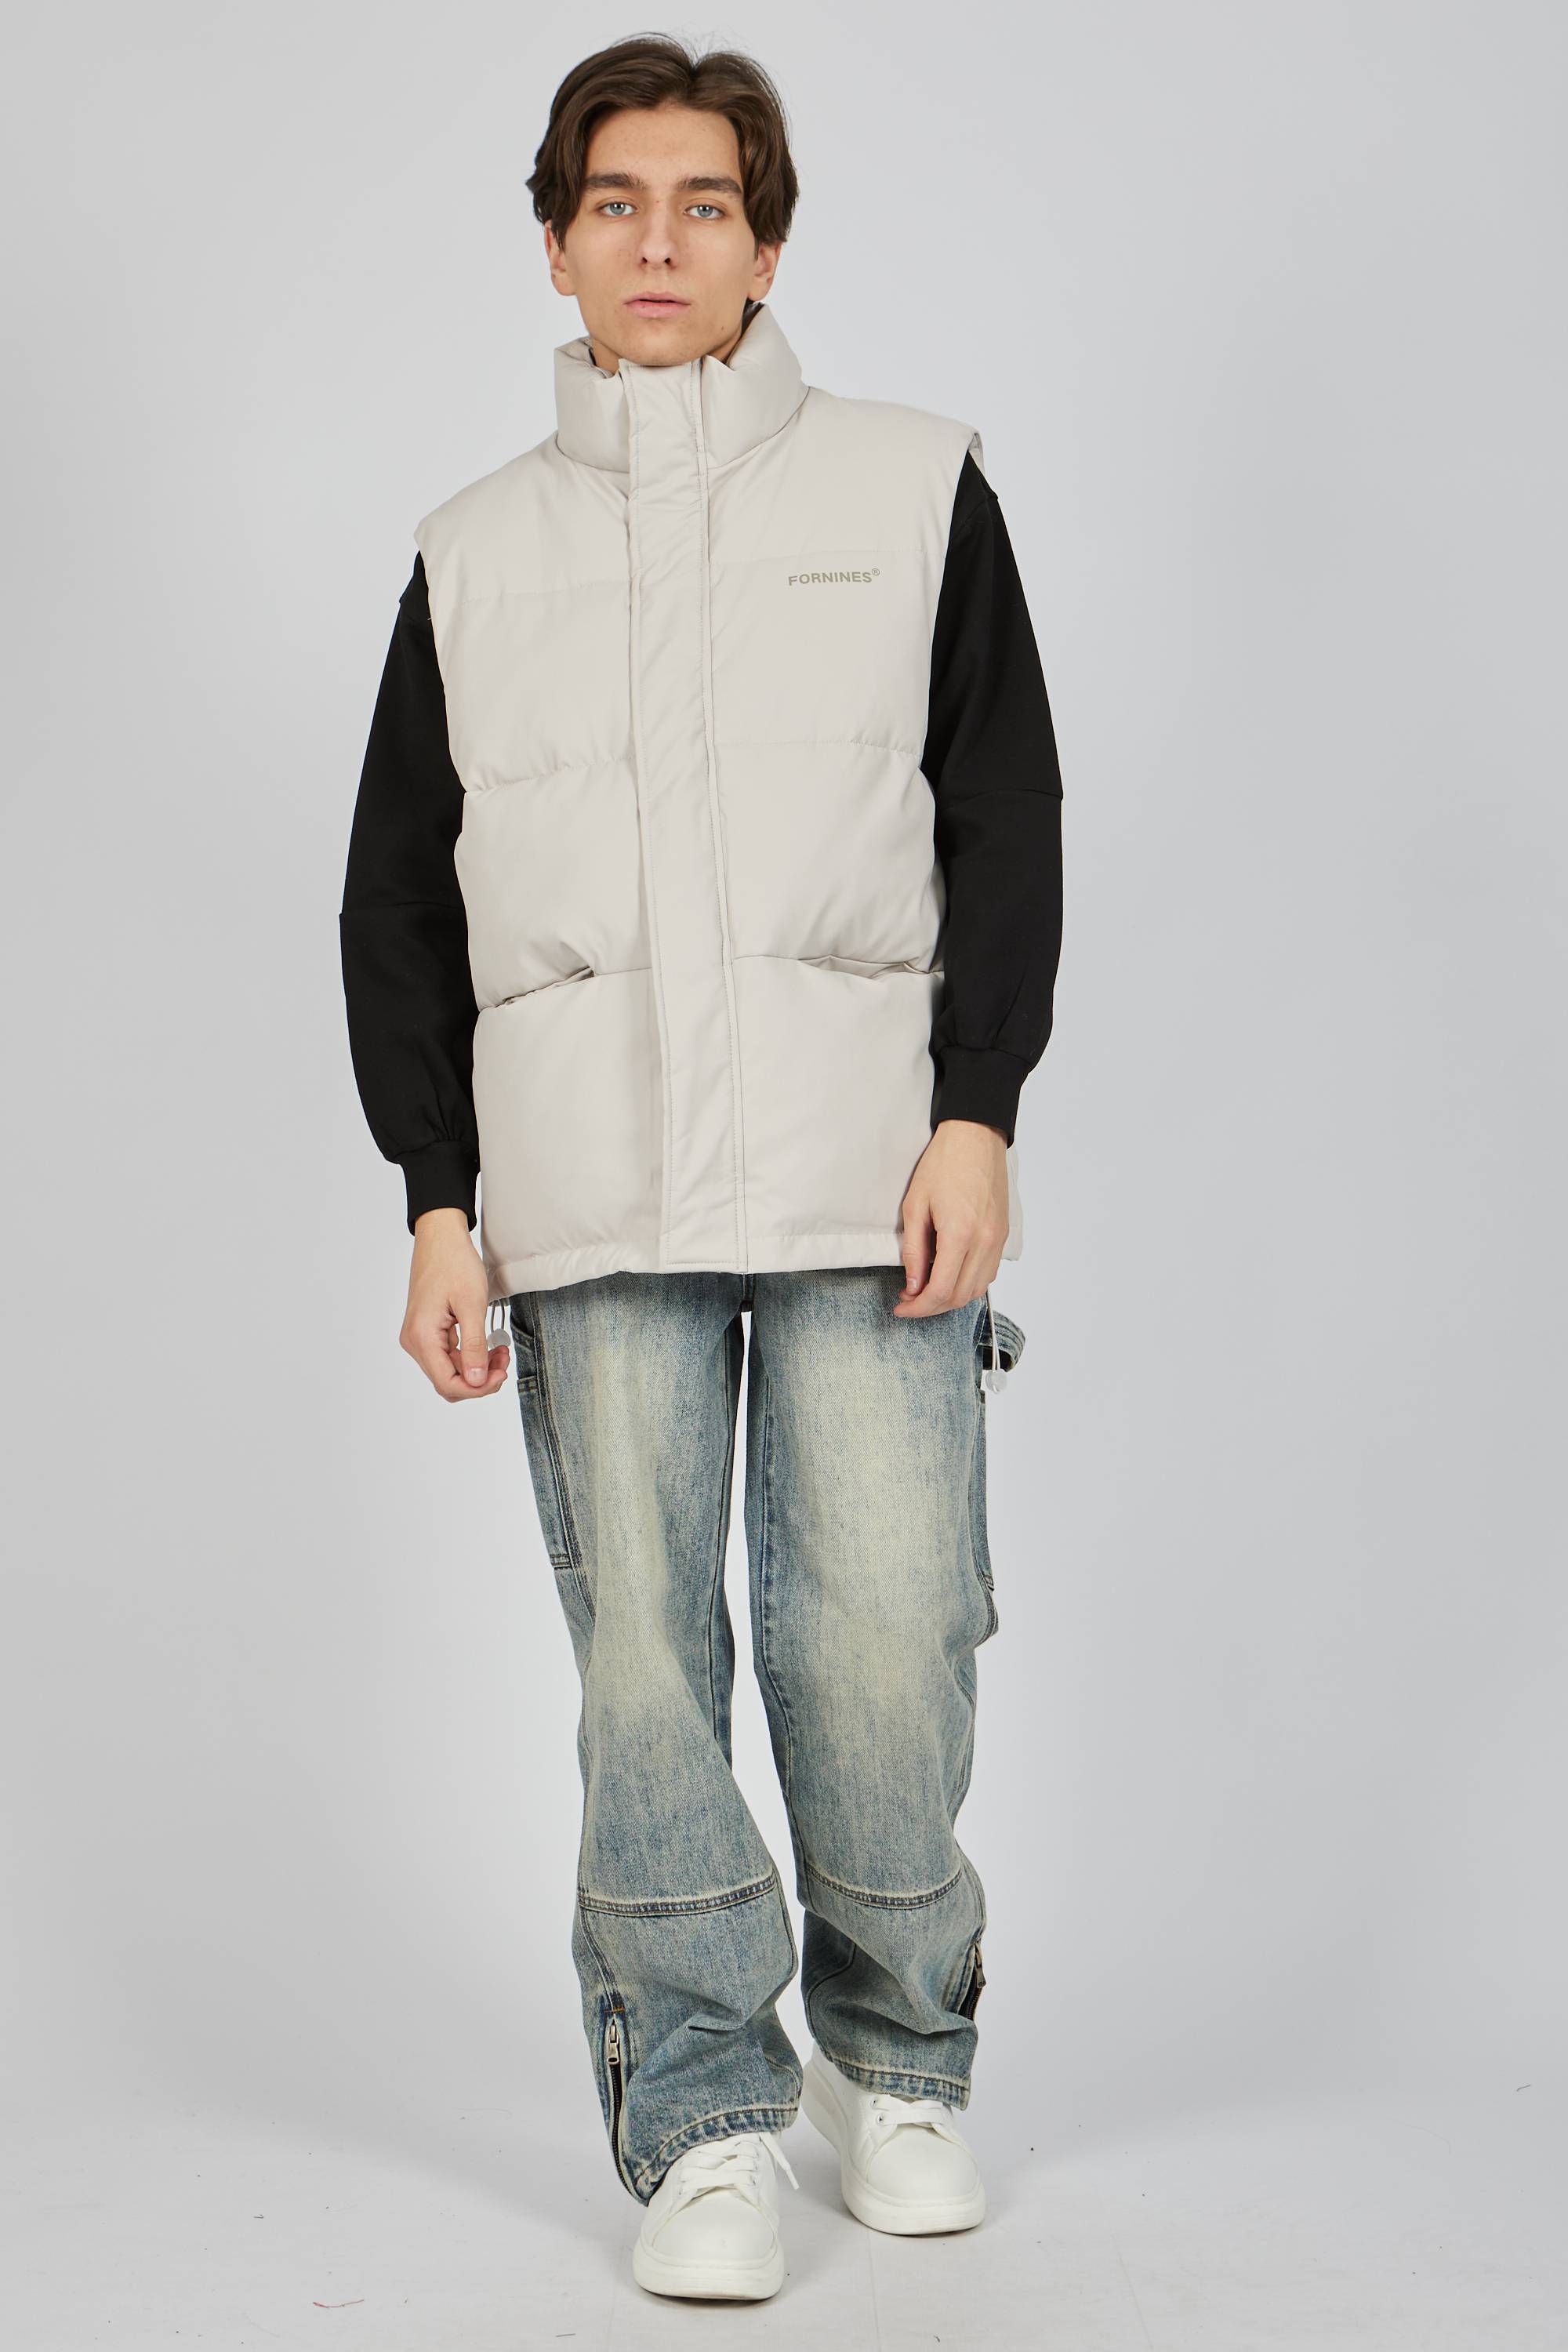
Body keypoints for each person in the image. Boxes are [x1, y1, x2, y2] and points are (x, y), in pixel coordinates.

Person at [339, 34, 1063, 2305]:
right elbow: (397, 898)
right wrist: (435, 1194)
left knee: (884, 1631)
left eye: (707, 204)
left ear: (767, 245)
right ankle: (705, 2112)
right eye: (617, 203)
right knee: (646, 1663)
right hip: (585, 1188)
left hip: (870, 1171)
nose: (661, 243)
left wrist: (978, 1108)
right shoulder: (472, 554)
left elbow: (1004, 814)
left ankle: (898, 2057)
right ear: (558, 245)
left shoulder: (916, 487)